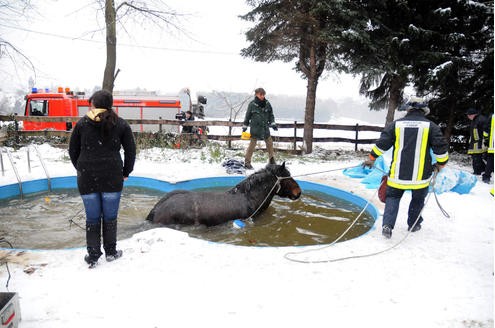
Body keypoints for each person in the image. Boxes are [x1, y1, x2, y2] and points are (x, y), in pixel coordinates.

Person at [363, 96, 449, 239]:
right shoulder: (431, 126)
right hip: (421, 176)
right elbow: (440, 149)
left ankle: (388, 225)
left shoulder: (396, 125)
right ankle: (414, 224)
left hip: (397, 175)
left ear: (408, 108)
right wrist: (441, 164)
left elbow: (382, 144)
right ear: (424, 110)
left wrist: (371, 158)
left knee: (393, 197)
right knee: (417, 199)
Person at [69, 89, 136, 268]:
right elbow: (131, 151)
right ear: (110, 104)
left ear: (93, 104)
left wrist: (83, 168)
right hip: (112, 176)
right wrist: (126, 172)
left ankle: (93, 256)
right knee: (110, 216)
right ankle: (111, 252)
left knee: (92, 218)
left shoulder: (82, 124)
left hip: (87, 177)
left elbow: (72, 151)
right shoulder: (121, 124)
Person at [242, 87, 278, 169]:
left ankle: (272, 162)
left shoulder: (267, 104)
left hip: (265, 129)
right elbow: (247, 116)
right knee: (252, 146)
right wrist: (245, 126)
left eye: (263, 94)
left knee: (270, 144)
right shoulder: (252, 105)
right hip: (255, 129)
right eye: (260, 94)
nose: (262, 96)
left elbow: (271, 115)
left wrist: (273, 124)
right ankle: (247, 163)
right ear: (256, 94)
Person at [466, 107, 488, 175]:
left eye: (468, 115)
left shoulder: (481, 119)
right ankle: (482, 169)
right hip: (475, 142)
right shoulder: (475, 120)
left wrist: (485, 140)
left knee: (477, 157)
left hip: (480, 142)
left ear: (472, 115)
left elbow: (486, 130)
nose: (468, 117)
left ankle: (477, 171)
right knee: (475, 157)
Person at [482, 113, 494, 183]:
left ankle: (486, 177)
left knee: (491, 160)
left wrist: (486, 139)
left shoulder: (492, 116)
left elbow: (486, 130)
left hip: (493, 143)